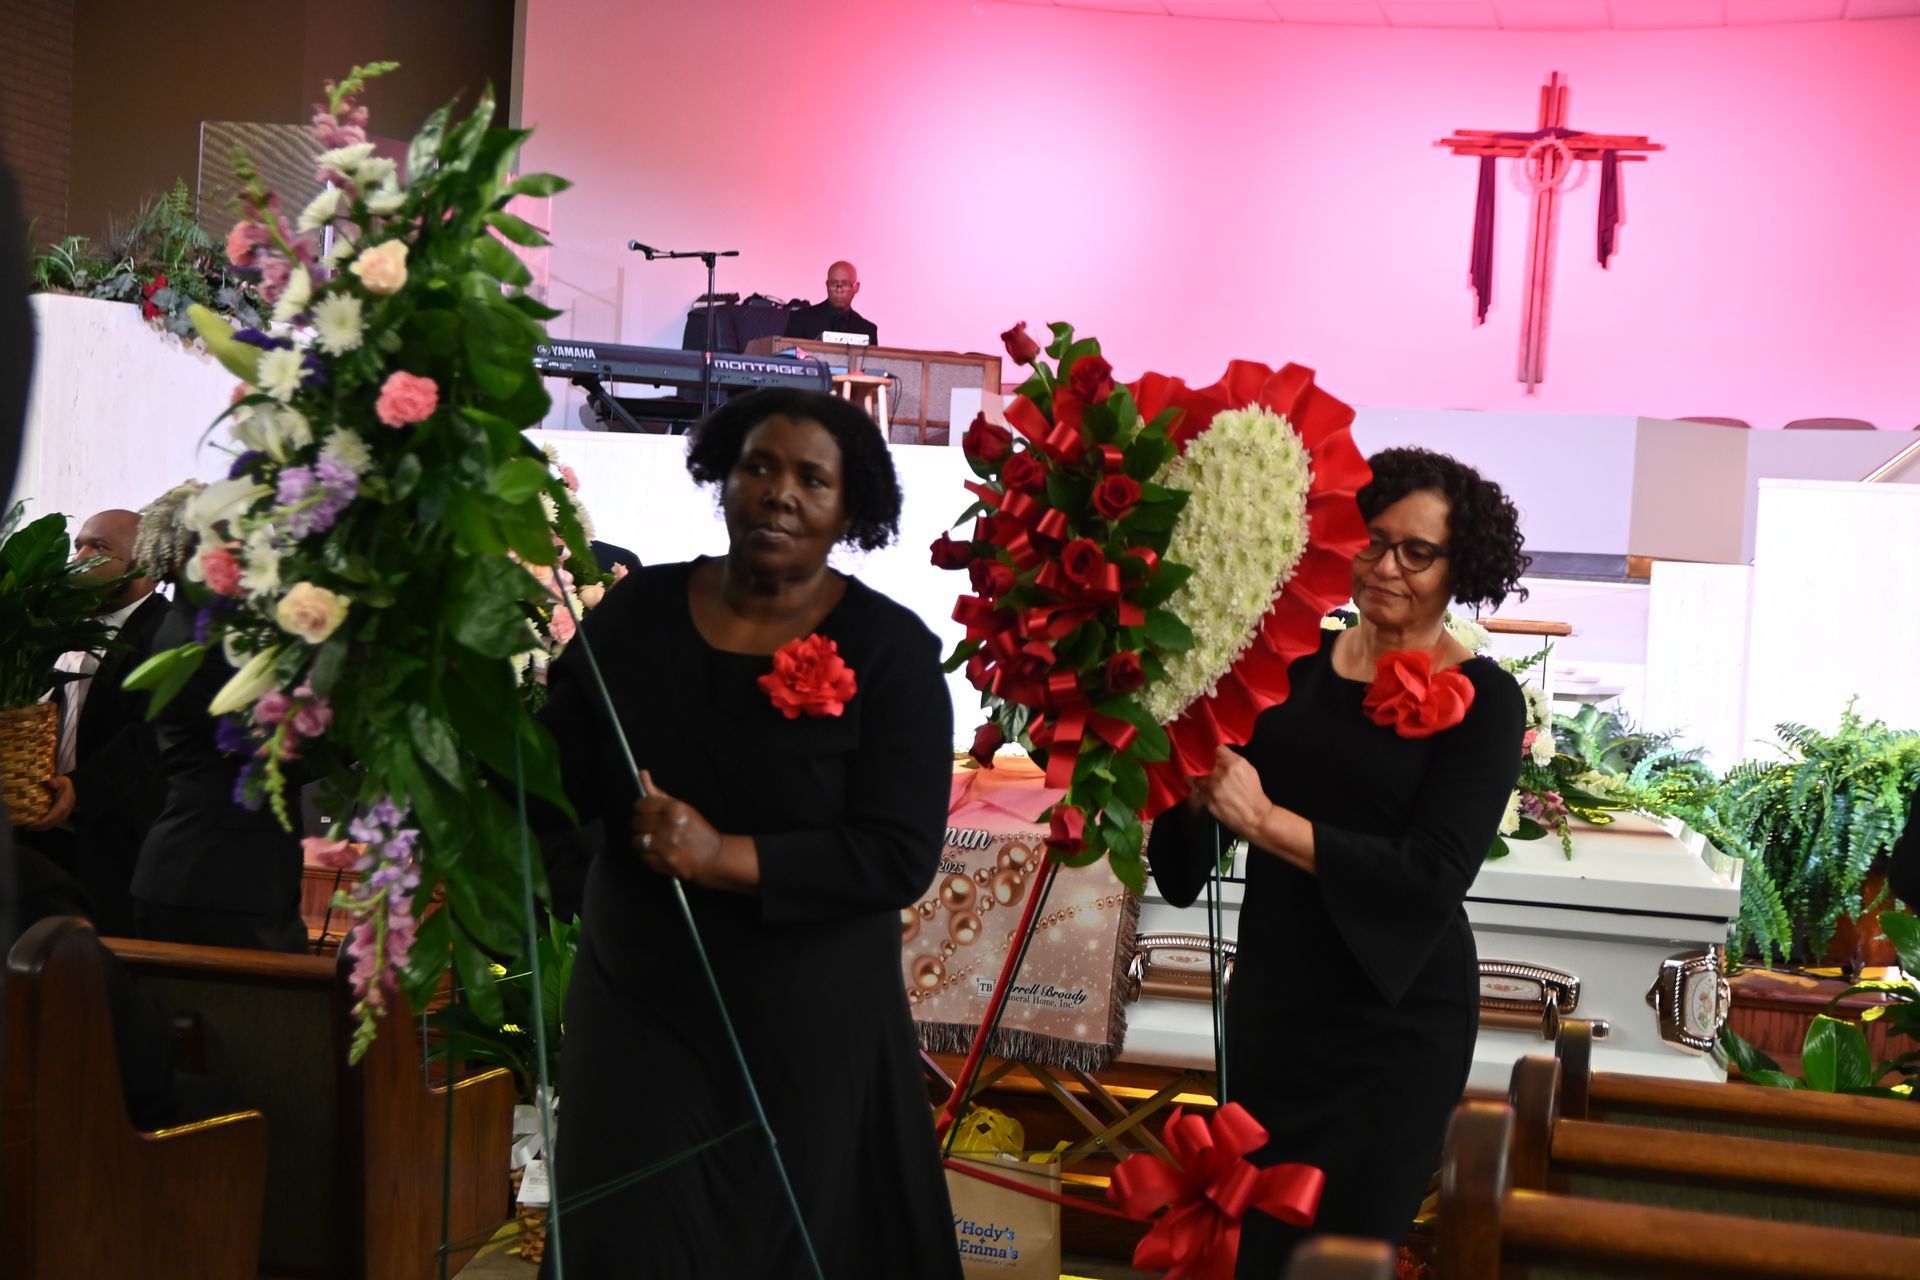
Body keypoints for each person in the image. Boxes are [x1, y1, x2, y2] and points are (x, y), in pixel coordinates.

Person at [538, 387, 959, 1277]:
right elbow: (554, 768)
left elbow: (898, 855)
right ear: (722, 478)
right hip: (643, 1004)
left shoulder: (890, 651)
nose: (780, 493)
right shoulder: (639, 612)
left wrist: (719, 857)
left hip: (806, 1022)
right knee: (630, 1239)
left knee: (787, 1245)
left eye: (813, 478)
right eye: (758, 467)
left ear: (851, 506)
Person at [1146, 446, 1528, 1274]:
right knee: (1256, 1252)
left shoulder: (1489, 701)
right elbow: (1179, 870)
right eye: (1372, 542)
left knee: (1344, 1258)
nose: (1387, 567)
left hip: (1396, 1026)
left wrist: (1264, 819)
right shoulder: (1286, 670)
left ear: (1461, 566)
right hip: (1276, 1010)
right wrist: (1190, 773)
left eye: (1417, 552)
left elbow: (1429, 876)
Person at [128, 482, 308, 954]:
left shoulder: (215, 630)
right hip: (218, 883)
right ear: (179, 559)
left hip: (219, 877)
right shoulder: (197, 641)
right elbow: (273, 750)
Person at [22, 509, 170, 935]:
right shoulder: (56, 624)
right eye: (79, 546)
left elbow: (150, 735)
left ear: (145, 561)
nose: (80, 558)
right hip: (41, 837)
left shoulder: (166, 632)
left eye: (98, 548)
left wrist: (80, 789)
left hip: (115, 845)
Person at [783, 260, 879, 345]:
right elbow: (788, 356)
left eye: (845, 284)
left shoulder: (867, 330)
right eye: (833, 283)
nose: (839, 289)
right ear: (827, 285)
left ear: (856, 287)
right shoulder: (801, 319)